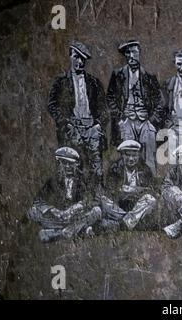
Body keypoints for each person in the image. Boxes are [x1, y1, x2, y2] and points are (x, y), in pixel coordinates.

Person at [47, 40, 108, 185]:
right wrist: (65, 123)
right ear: (70, 57)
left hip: (92, 129)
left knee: (96, 167)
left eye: (82, 59)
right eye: (76, 57)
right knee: (72, 166)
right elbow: (52, 105)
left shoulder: (94, 82)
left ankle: (97, 197)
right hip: (72, 129)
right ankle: (73, 199)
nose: (79, 62)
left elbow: (104, 109)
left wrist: (98, 126)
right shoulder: (61, 82)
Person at [106, 40, 162, 174]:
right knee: (128, 154)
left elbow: (160, 101)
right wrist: (120, 118)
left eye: (134, 52)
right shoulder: (118, 75)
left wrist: (152, 121)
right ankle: (127, 185)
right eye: (127, 53)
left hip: (145, 121)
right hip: (127, 120)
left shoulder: (149, 76)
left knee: (149, 156)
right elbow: (110, 98)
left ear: (139, 53)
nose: (131, 56)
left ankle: (151, 186)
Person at [27, 147, 101, 242]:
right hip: (59, 218)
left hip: (77, 217)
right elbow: (38, 200)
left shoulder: (84, 178)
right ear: (60, 164)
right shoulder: (54, 180)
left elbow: (94, 198)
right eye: (64, 163)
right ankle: (79, 231)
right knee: (33, 211)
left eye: (70, 163)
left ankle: (64, 232)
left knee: (96, 211)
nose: (67, 166)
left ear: (76, 164)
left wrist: (79, 206)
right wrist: (53, 210)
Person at [99, 140, 157, 232]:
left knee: (150, 200)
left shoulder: (145, 169)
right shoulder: (115, 168)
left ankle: (119, 225)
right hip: (119, 206)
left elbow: (151, 190)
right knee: (103, 200)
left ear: (138, 156)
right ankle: (129, 222)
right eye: (127, 155)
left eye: (134, 155)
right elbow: (111, 190)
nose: (131, 159)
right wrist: (131, 191)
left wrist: (130, 191)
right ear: (122, 155)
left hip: (137, 205)